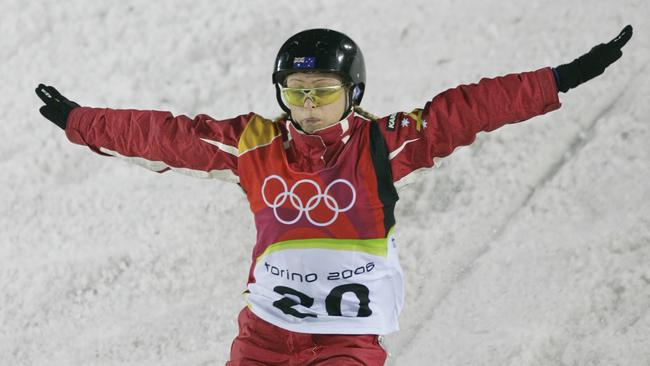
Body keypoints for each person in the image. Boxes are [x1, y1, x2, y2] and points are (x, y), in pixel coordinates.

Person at [35, 26, 633, 366]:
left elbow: (469, 108)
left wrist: (559, 79)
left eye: (324, 92)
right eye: (296, 94)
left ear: (352, 93)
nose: (310, 107)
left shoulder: (383, 147)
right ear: (281, 95)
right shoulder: (252, 145)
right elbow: (164, 138)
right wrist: (81, 121)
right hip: (264, 339)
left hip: (346, 345)